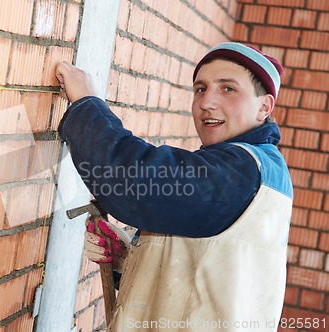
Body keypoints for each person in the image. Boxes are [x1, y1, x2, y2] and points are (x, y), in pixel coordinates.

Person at [55, 42, 293, 331]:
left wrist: (87, 104)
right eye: (201, 89)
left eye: (228, 88)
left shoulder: (243, 169)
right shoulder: (261, 169)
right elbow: (208, 276)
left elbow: (136, 181)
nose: (207, 102)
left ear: (264, 106)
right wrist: (129, 259)